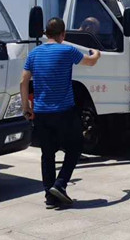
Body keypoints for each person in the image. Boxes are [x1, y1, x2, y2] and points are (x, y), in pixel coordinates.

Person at [20, 17, 100, 209]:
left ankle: (50, 197)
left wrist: (26, 107)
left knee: (47, 154)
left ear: (46, 33)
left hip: (41, 112)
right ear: (63, 34)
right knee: (75, 147)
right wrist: (96, 53)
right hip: (64, 111)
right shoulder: (67, 50)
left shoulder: (34, 53)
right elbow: (90, 62)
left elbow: (23, 81)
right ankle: (60, 184)